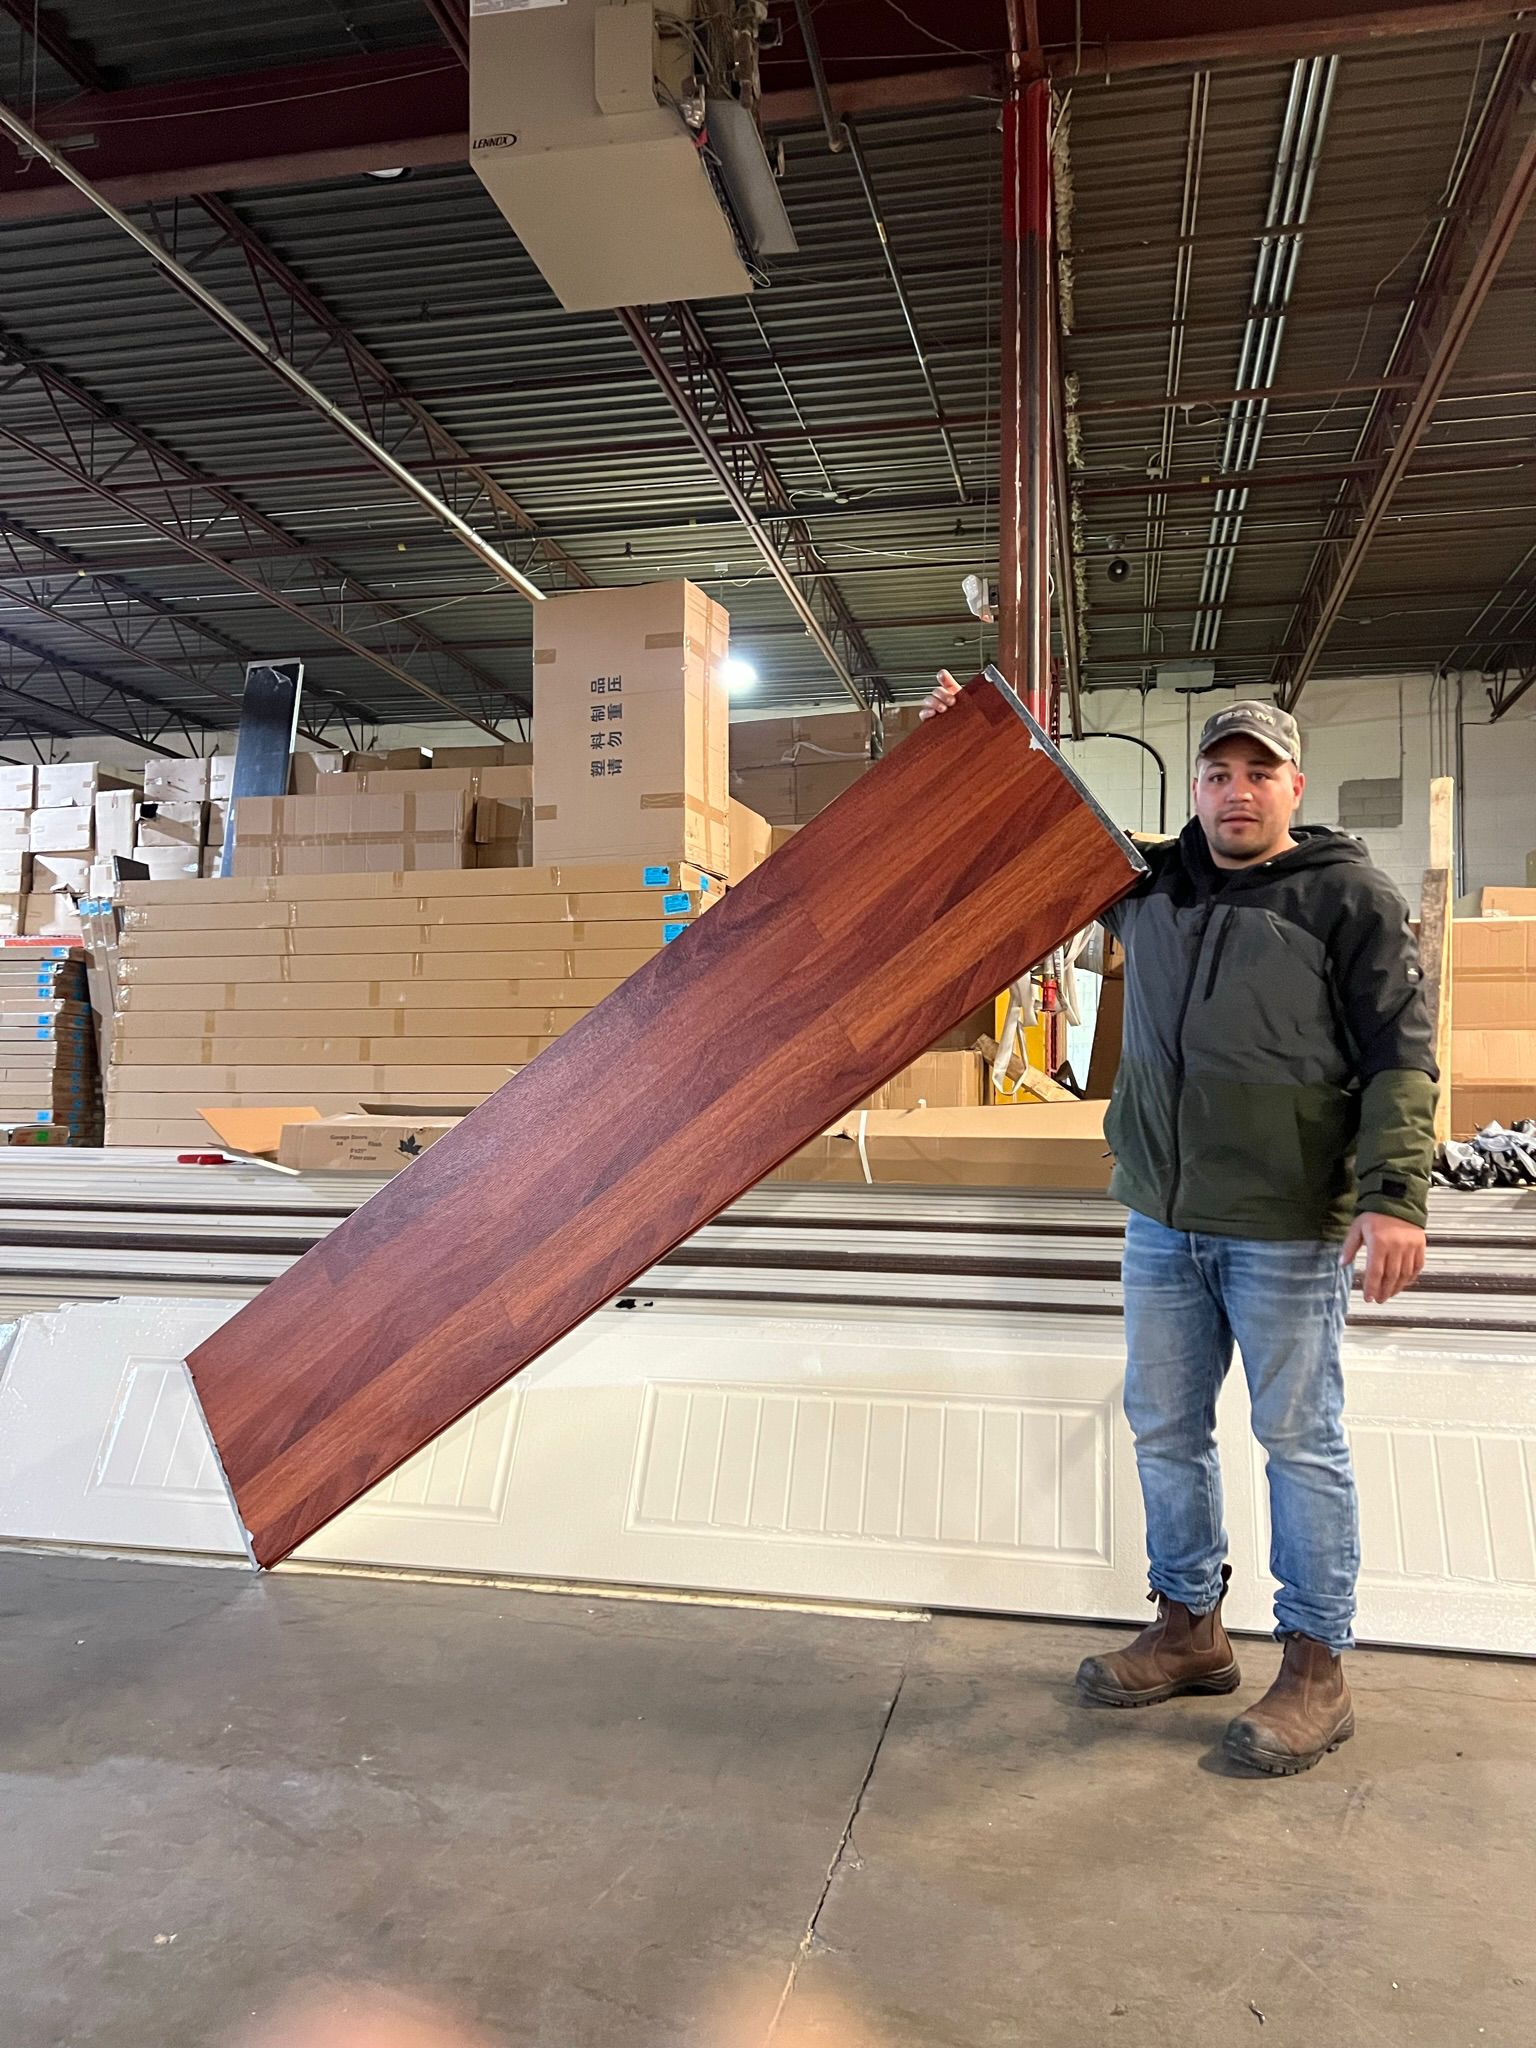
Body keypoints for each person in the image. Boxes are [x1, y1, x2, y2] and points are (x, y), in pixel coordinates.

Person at [921, 676, 1437, 1774]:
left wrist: (1394, 1196)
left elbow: (1403, 1055)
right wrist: (979, 740)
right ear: (1195, 786)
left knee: (1299, 1441)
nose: (1237, 790)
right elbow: (1049, 822)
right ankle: (1190, 1624)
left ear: (1294, 783)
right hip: (1162, 1217)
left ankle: (1316, 1662)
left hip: (1286, 1224)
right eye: (1218, 771)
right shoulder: (1149, 883)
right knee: (1166, 1426)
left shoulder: (1349, 899)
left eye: (1259, 772)